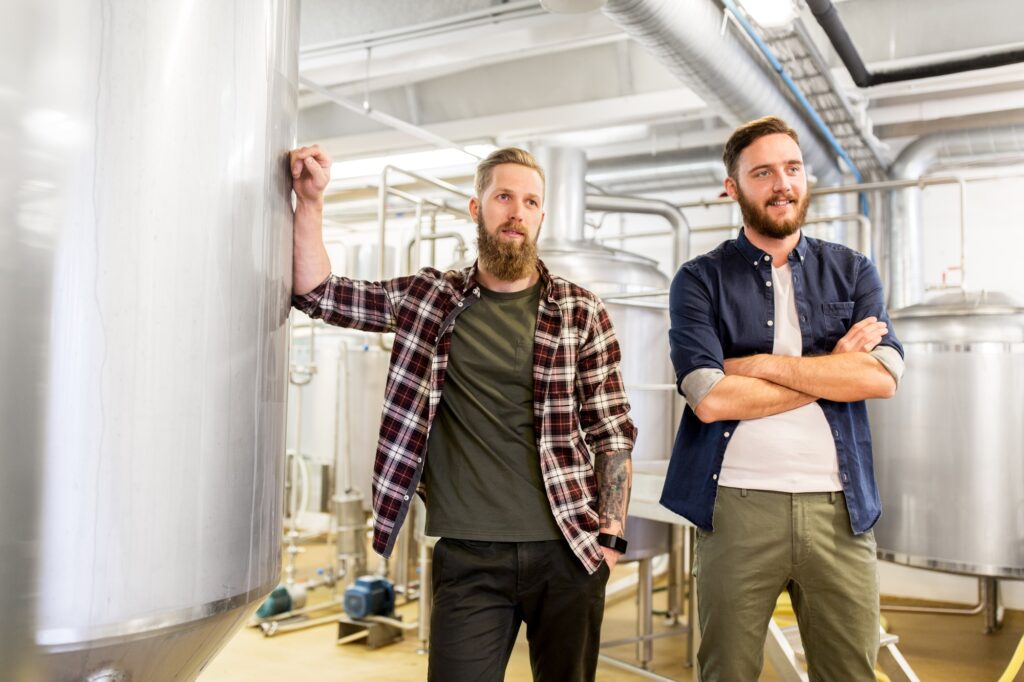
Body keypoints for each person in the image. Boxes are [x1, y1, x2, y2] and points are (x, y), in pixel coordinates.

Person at [288, 144, 636, 681]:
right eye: (503, 197)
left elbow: (611, 431)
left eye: (530, 202)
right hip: (469, 555)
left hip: (567, 549)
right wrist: (311, 202)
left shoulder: (580, 310)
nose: (516, 212)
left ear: (541, 216)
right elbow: (319, 294)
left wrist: (609, 540)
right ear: (477, 208)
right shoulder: (431, 298)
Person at [663, 116, 905, 680]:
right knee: (726, 672)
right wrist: (834, 366)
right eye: (763, 173)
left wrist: (754, 367)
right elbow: (710, 399)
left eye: (793, 168)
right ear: (733, 188)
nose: (783, 184)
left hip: (840, 510)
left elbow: (881, 378)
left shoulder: (852, 271)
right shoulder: (699, 280)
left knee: (850, 673)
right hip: (736, 506)